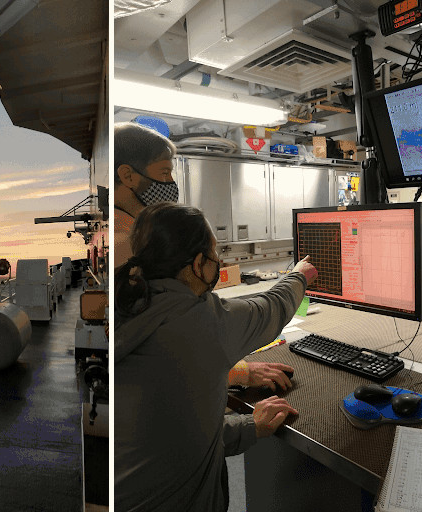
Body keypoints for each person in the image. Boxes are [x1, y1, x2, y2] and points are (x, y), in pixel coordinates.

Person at [114, 202, 318, 511]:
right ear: (198, 264)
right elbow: (272, 308)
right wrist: (299, 275)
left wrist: (250, 425)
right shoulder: (198, 319)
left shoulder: (129, 305)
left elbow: (180, 430)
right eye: (214, 254)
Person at [114, 121, 295, 390]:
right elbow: (163, 349)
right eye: (164, 172)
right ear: (128, 176)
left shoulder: (137, 230)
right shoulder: (122, 245)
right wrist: (237, 373)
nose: (171, 184)